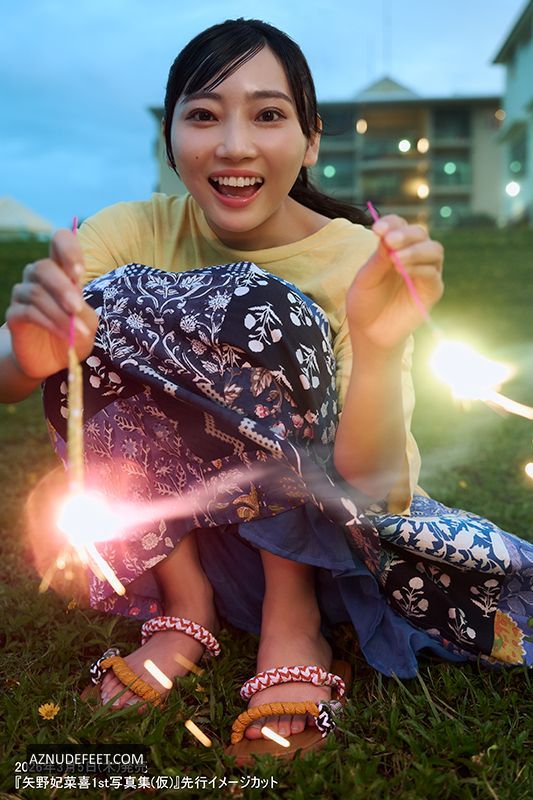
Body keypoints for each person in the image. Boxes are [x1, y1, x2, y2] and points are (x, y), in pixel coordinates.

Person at [1, 18, 531, 761]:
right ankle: (186, 608)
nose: (233, 145)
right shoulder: (127, 231)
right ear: (171, 138)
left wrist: (380, 346)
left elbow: (370, 483)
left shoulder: (356, 259)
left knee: (257, 304)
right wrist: (31, 353)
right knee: (103, 304)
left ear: (311, 140)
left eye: (268, 115)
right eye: (203, 115)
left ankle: (294, 622)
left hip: (334, 551)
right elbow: (13, 367)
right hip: (191, 543)